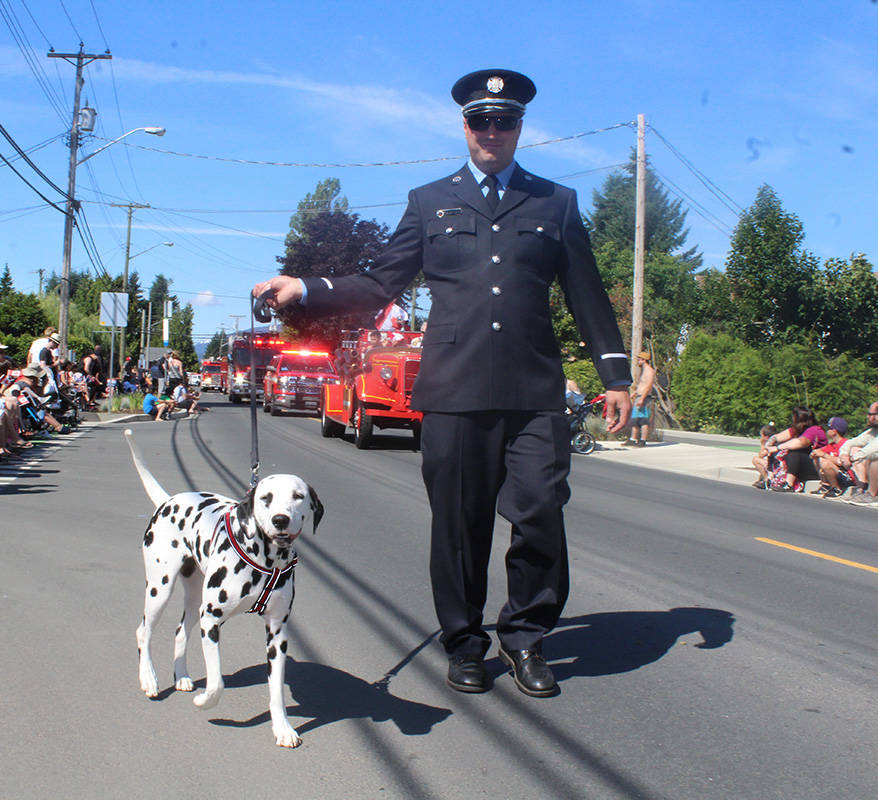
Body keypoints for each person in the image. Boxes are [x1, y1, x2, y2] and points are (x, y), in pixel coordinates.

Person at [253, 69, 631, 698]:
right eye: (481, 120)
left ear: (519, 128)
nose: (492, 131)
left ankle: (527, 637)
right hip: (453, 391)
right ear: (464, 127)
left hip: (533, 390)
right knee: (459, 523)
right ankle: (464, 642)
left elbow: (587, 294)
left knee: (539, 511)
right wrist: (307, 288)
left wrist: (614, 375)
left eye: (504, 121)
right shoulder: (430, 201)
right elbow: (381, 282)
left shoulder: (554, 203)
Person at [761, 406, 827, 493]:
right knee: (777, 447)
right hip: (802, 463)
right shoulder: (797, 429)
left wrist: (777, 448)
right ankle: (770, 479)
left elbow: (800, 442)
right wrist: (769, 445)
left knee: (793, 451)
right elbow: (778, 437)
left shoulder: (814, 430)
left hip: (815, 466)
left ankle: (789, 484)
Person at [811, 416, 855, 499]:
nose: (827, 430)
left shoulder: (846, 444)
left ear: (834, 431)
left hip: (848, 476)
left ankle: (837, 489)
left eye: (829, 428)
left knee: (825, 462)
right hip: (837, 474)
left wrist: (824, 455)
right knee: (817, 457)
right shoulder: (832, 445)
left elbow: (841, 462)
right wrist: (815, 453)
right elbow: (819, 452)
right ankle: (825, 485)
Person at [624, 351, 656, 447]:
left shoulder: (650, 371)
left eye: (639, 359)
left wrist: (642, 398)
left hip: (645, 398)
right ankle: (633, 439)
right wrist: (635, 393)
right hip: (639, 397)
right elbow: (642, 385)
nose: (638, 361)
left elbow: (648, 385)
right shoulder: (644, 371)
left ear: (644, 360)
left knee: (643, 420)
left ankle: (643, 440)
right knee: (635, 419)